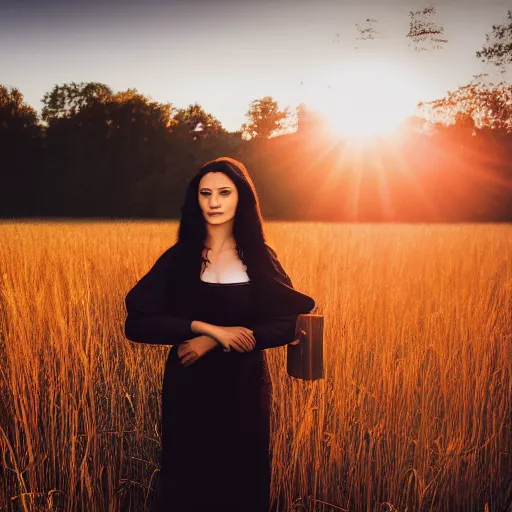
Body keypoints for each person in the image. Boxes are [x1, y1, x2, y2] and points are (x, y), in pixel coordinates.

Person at [124, 156, 316, 512]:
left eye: (224, 193)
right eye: (205, 193)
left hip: (244, 386)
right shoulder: (179, 258)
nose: (213, 202)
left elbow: (295, 318)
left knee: (242, 476)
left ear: (241, 198)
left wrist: (216, 340)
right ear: (194, 200)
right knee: (188, 477)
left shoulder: (258, 258)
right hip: (188, 388)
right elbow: (136, 322)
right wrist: (203, 328)